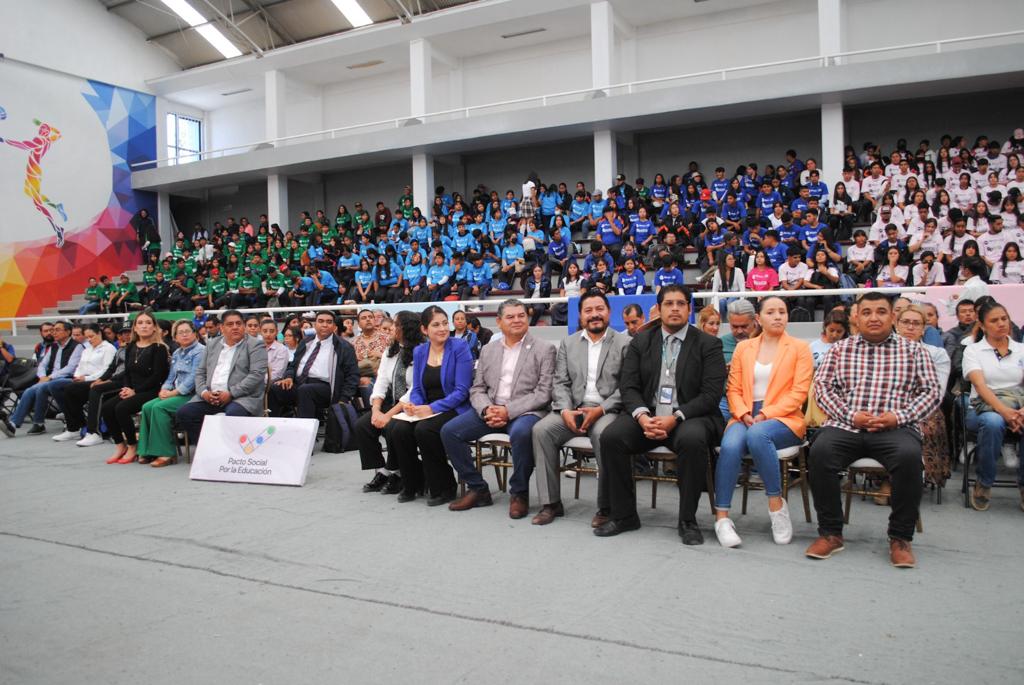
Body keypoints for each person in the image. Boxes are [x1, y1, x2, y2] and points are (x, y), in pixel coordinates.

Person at [807, 291, 942, 568]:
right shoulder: (840, 349)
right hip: (847, 425)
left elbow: (931, 392)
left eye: (881, 311)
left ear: (892, 316)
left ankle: (900, 538)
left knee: (908, 458)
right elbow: (822, 388)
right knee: (820, 452)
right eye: (866, 312)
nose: (874, 317)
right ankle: (831, 533)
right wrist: (851, 415)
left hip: (896, 427)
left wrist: (898, 417)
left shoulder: (914, 351)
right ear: (856, 317)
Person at [595, 285, 727, 544]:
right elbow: (629, 386)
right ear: (659, 309)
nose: (675, 308)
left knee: (692, 440)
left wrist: (675, 417)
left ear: (689, 309)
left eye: (681, 303)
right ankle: (624, 516)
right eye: (669, 304)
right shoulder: (641, 342)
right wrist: (643, 417)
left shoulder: (709, 344)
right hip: (649, 416)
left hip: (690, 417)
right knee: (611, 437)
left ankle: (687, 520)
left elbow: (711, 395)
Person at [440, 299, 556, 517]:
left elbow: (544, 393)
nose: (517, 320)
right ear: (499, 321)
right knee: (449, 431)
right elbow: (477, 389)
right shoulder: (488, 350)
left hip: (526, 412)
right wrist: (486, 410)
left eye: (521, 315)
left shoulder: (544, 348)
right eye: (510, 317)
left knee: (522, 433)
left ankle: (519, 493)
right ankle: (478, 489)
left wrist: (508, 411)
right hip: (491, 410)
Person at [713, 296, 813, 548]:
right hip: (745, 413)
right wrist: (743, 413)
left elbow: (798, 393)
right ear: (759, 318)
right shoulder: (743, 348)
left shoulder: (800, 348)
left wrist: (766, 414)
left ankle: (776, 505)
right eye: (771, 312)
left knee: (758, 435)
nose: (778, 316)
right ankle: (722, 518)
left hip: (784, 417)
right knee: (731, 445)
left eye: (782, 311)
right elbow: (733, 388)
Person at [530, 290, 630, 525]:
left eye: (599, 309)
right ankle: (551, 503)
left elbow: (627, 387)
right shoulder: (569, 342)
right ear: (580, 315)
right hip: (573, 408)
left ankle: (606, 507)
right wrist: (565, 410)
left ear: (608, 312)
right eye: (588, 311)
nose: (594, 315)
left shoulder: (625, 343)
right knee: (541, 430)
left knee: (605, 436)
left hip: (607, 410)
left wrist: (600, 409)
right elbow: (560, 381)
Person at [392, 306, 475, 504]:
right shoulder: (420, 351)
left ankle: (444, 486)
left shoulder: (460, 347)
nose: (442, 328)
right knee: (398, 429)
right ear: (424, 329)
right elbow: (419, 388)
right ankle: (413, 484)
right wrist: (414, 405)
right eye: (436, 324)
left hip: (454, 407)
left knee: (424, 430)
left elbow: (462, 391)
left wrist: (431, 408)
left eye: (445, 323)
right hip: (426, 407)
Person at [962, 300, 1024, 512]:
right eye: (994, 320)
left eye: (1004, 319)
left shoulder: (1021, 350)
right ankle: (984, 484)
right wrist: (1006, 412)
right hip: (982, 407)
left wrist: (1020, 412)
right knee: (993, 421)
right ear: (982, 324)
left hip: (1018, 405)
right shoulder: (973, 350)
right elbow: (980, 386)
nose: (1001, 324)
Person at [175, 310, 269, 445]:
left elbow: (256, 375)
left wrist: (231, 393)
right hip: (211, 397)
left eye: (238, 323)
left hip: (242, 397)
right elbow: (200, 372)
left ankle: (231, 453)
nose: (235, 327)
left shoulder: (255, 345)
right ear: (222, 328)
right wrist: (204, 393)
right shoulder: (212, 344)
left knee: (233, 415)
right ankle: (207, 448)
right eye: (230, 324)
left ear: (243, 326)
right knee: (184, 413)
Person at [356, 311, 423, 495]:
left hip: (410, 405)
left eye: (395, 324)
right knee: (362, 425)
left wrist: (388, 415)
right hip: (389, 401)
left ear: (406, 328)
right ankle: (382, 471)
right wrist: (376, 410)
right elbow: (382, 381)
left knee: (392, 427)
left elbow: (415, 389)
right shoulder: (390, 351)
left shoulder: (421, 351)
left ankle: (396, 472)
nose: (391, 328)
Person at [98, 311, 171, 464]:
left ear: (154, 327)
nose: (144, 326)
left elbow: (157, 376)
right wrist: (126, 388)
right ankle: (120, 445)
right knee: (106, 407)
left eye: (148, 323)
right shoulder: (131, 346)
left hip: (150, 391)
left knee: (121, 408)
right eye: (140, 323)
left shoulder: (159, 348)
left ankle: (132, 445)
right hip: (131, 389)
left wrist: (135, 391)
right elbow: (127, 372)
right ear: (135, 328)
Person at [894, 304, 951, 492]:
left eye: (916, 324)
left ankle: (918, 478)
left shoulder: (937, 354)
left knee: (929, 425)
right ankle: (887, 479)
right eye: (906, 322)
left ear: (923, 329)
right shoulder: (883, 351)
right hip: (890, 405)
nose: (910, 327)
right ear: (896, 325)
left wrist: (911, 409)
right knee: (882, 424)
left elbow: (937, 392)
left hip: (925, 407)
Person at [137, 320, 204, 467]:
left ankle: (166, 452)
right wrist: (164, 390)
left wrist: (173, 393)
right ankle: (148, 450)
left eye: (188, 331)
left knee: (159, 408)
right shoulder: (177, 353)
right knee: (147, 407)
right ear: (175, 337)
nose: (185, 335)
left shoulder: (201, 351)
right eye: (180, 332)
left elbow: (194, 378)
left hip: (191, 394)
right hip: (175, 393)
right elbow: (171, 377)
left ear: (195, 333)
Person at [270, 311, 359, 419]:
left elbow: (352, 375)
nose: (324, 325)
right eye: (320, 321)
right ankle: (275, 428)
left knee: (306, 390)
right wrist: (288, 377)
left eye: (329, 322)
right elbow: (293, 366)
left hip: (328, 388)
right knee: (275, 388)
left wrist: (344, 398)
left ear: (334, 326)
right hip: (299, 383)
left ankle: (305, 433)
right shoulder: (305, 342)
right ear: (315, 325)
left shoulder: (344, 347)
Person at [1, 321, 82, 437]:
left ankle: (38, 423)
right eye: (53, 330)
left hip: (67, 378)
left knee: (41, 388)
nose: (54, 332)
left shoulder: (76, 346)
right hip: (50, 379)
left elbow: (70, 368)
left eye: (57, 330)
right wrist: (43, 376)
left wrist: (49, 377)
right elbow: (42, 365)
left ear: (68, 332)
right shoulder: (54, 346)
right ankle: (13, 425)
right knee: (30, 390)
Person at [48, 324, 117, 442]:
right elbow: (80, 366)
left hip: (98, 380)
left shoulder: (108, 348)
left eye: (92, 336)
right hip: (82, 380)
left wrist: (87, 378)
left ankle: (85, 429)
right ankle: (74, 428)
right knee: (62, 387)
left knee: (70, 390)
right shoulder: (87, 349)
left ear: (99, 334)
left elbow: (107, 370)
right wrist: (77, 376)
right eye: (87, 337)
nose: (89, 340)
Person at [720, 299, 759, 364]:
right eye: (734, 327)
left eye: (744, 326)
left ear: (755, 319)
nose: (739, 331)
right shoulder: (721, 343)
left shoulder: (767, 342)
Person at [261, 318, 289, 382]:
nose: (268, 334)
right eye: (265, 331)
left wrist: (256, 380)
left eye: (271, 331)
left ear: (276, 332)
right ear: (260, 331)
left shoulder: (282, 349)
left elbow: (277, 374)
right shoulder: (256, 348)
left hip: (271, 384)